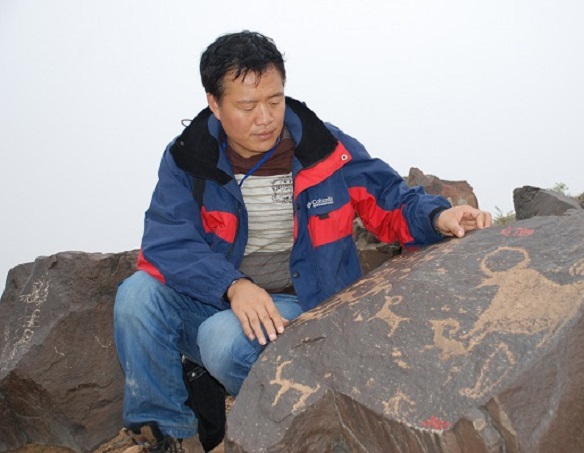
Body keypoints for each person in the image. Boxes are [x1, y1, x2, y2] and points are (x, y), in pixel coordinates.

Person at [113, 31, 492, 452]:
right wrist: (232, 286)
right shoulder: (189, 157)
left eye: (274, 101)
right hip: (219, 294)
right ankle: (169, 436)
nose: (265, 118)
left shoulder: (323, 147)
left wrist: (438, 217)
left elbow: (389, 199)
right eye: (247, 106)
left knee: (222, 340)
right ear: (214, 104)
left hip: (303, 304)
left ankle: (310, 421)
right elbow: (167, 241)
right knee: (136, 297)